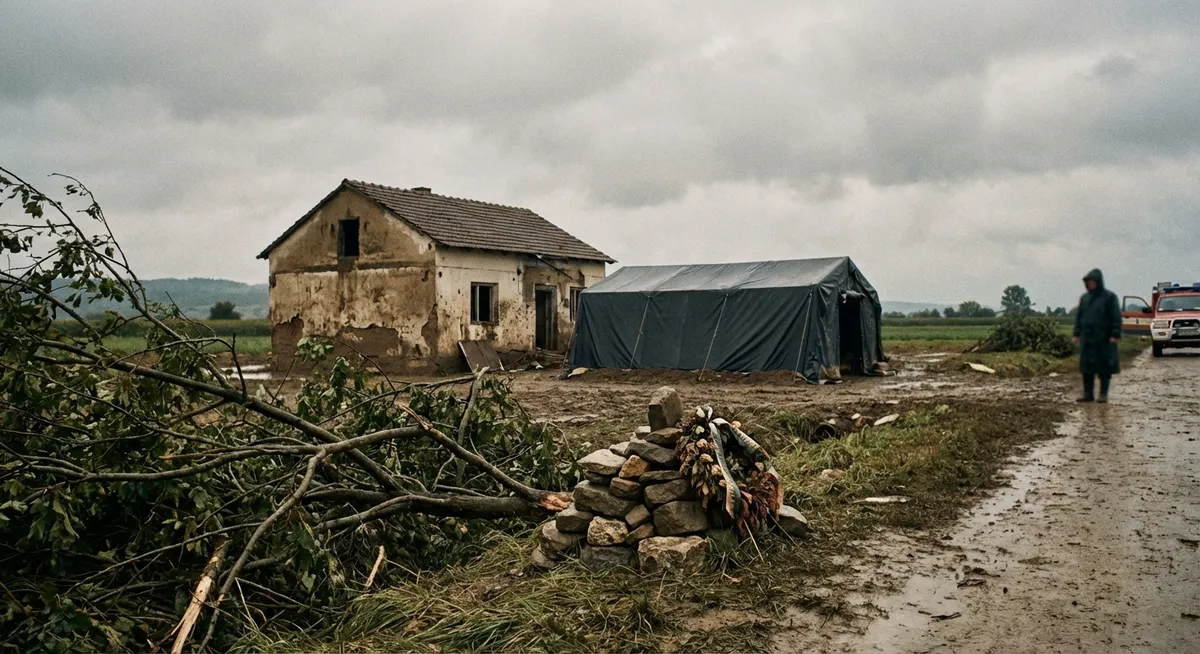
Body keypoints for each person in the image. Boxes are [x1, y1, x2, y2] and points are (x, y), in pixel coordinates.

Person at [1073, 268, 1122, 403]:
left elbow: (1115, 317)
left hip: (1104, 338)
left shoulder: (1110, 297)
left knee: (1104, 368)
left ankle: (1103, 395)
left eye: (1093, 282)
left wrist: (1115, 333)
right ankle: (1088, 395)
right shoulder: (1084, 298)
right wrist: (1076, 334)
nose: (1091, 284)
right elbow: (1079, 317)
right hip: (1087, 338)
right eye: (1089, 282)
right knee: (1086, 368)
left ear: (1099, 282)